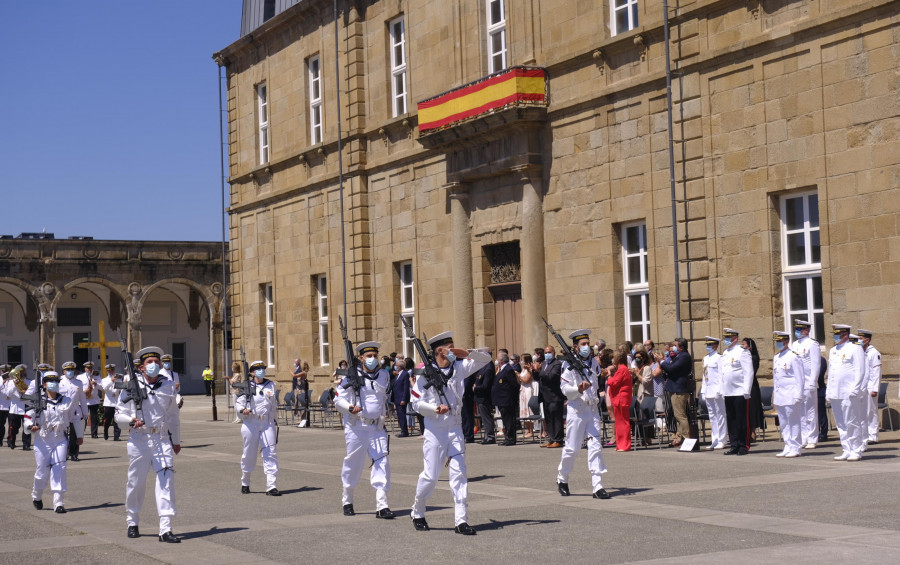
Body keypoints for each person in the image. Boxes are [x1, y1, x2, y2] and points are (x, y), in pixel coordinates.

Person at [410, 332, 490, 535]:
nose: (454, 350)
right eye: (450, 347)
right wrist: (434, 409)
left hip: (455, 428)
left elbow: (486, 358)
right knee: (430, 476)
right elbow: (416, 402)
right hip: (435, 430)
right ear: (439, 350)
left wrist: (464, 352)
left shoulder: (458, 368)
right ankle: (418, 512)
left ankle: (461, 520)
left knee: (459, 475)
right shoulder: (425, 374)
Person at [115, 346, 182, 542]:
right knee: (136, 482)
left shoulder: (167, 385)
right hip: (139, 439)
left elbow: (173, 416)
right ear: (141, 367)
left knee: (166, 482)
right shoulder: (130, 385)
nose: (153, 365)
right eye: (149, 362)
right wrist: (130, 421)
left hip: (161, 440)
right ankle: (132, 521)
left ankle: (165, 528)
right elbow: (119, 414)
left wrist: (176, 440)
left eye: (156, 361)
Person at [334, 342, 394, 518]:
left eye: (375, 356)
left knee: (382, 463)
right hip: (357, 426)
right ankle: (348, 500)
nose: (373, 359)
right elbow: (338, 400)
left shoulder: (383, 375)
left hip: (377, 427)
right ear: (361, 358)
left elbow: (383, 398)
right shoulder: (351, 376)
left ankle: (382, 506)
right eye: (368, 356)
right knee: (353, 464)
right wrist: (350, 407)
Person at [556, 329, 609, 499]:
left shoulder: (593, 363)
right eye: (583, 344)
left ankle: (597, 486)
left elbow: (596, 381)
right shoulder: (568, 364)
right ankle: (562, 478)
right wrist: (577, 389)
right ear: (576, 347)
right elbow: (564, 389)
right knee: (572, 448)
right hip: (577, 409)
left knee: (595, 447)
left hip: (592, 410)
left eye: (588, 343)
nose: (587, 346)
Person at [25, 370, 83, 513]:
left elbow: (75, 418)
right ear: (44, 384)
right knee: (42, 471)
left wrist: (80, 435)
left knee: (60, 469)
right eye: (50, 381)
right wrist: (30, 426)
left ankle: (59, 502)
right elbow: (27, 417)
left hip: (59, 438)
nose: (53, 383)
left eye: (56, 381)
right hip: (42, 440)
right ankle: (37, 495)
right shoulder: (37, 400)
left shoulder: (66, 401)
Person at [236, 360, 280, 496]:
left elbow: (273, 404)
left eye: (263, 368)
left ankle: (271, 486)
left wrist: (274, 420)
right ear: (252, 372)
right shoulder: (246, 386)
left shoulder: (270, 385)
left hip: (267, 423)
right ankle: (245, 481)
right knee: (249, 454)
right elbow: (239, 403)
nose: (261, 370)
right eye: (258, 369)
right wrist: (242, 410)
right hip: (251, 423)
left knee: (270, 453)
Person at [826, 324, 867, 461]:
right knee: (840, 423)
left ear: (846, 335)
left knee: (852, 421)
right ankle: (847, 449)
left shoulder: (855, 348)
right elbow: (831, 372)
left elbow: (860, 370)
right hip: (835, 391)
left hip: (848, 391)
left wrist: (855, 388)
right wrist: (828, 390)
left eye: (839, 334)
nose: (836, 337)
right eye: (835, 334)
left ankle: (856, 449)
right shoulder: (833, 350)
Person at [653, 338, 694, 448]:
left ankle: (686, 439)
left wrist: (662, 361)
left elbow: (672, 368)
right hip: (674, 388)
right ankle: (679, 438)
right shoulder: (679, 356)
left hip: (679, 389)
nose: (674, 347)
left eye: (676, 345)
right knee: (677, 415)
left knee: (681, 416)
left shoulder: (684, 356)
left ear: (681, 347)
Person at [719, 328, 753, 455]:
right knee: (731, 419)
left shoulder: (742, 352)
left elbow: (748, 372)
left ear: (735, 338)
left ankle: (744, 445)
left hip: (739, 390)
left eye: (729, 338)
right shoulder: (726, 353)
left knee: (741, 419)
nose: (727, 340)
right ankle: (734, 444)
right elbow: (723, 373)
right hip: (728, 391)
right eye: (726, 338)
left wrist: (747, 390)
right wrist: (722, 389)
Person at [772, 331, 804, 458]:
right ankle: (788, 445)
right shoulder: (777, 357)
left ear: (786, 341)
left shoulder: (793, 356)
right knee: (784, 422)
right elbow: (776, 378)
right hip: (780, 394)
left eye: (780, 341)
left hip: (791, 394)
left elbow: (799, 378)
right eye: (777, 341)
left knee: (793, 421)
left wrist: (798, 395)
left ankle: (796, 447)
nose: (778, 344)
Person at [790, 319, 821, 449]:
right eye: (796, 329)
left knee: (810, 411)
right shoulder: (794, 344)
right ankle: (803, 437)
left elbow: (815, 364)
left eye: (799, 329)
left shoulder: (812, 344)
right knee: (800, 412)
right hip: (798, 383)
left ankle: (812, 438)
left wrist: (813, 381)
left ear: (806, 330)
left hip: (808, 382)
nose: (797, 332)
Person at [700, 337, 727, 450]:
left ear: (715, 346)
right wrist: (703, 390)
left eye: (710, 345)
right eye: (707, 345)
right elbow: (704, 375)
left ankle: (722, 440)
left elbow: (721, 374)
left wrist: (719, 390)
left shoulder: (719, 358)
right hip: (708, 390)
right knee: (712, 416)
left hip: (717, 390)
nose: (708, 347)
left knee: (720, 415)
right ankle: (715, 439)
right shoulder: (706, 358)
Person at [535, 345, 564, 448]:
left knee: (556, 418)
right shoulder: (543, 364)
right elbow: (539, 377)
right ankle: (551, 439)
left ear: (554, 353)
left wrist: (539, 371)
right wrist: (534, 370)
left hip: (554, 396)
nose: (547, 354)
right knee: (549, 419)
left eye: (549, 352)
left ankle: (558, 440)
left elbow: (551, 377)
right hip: (545, 396)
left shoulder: (557, 364)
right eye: (546, 352)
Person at [857, 329, 882, 445]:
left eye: (861, 338)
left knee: (871, 411)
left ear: (867, 339)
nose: (859, 340)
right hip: (862, 386)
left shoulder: (874, 353)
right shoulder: (860, 351)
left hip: (871, 386)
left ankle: (873, 435)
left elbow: (876, 372)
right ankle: (865, 434)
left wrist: (875, 388)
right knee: (863, 412)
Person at [60, 362, 87, 460]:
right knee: (63, 433)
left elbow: (82, 398)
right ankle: (64, 453)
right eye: (68, 370)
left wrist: (85, 412)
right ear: (64, 371)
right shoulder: (59, 382)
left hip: (76, 411)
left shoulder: (78, 382)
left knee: (75, 433)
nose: (70, 372)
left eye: (72, 370)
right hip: (63, 411)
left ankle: (74, 453)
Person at [606, 349, 633, 452]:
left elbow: (614, 382)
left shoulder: (622, 369)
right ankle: (621, 444)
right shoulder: (622, 369)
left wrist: (609, 375)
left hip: (621, 398)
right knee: (620, 422)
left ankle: (624, 445)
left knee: (623, 422)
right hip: (619, 398)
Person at [492, 349, 520, 446]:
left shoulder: (508, 370)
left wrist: (513, 398)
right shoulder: (502, 369)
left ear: (501, 360)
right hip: (501, 400)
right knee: (505, 420)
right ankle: (507, 437)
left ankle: (511, 439)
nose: (496, 361)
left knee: (509, 421)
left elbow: (514, 385)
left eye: (497, 359)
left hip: (507, 400)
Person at [742, 338, 764, 442]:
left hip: (752, 386)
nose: (742, 346)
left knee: (752, 409)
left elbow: (751, 371)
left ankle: (752, 431)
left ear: (749, 346)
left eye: (744, 344)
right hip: (743, 385)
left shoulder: (753, 358)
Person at [472, 348, 496, 445]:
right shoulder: (483, 366)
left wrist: (476, 388)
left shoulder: (489, 367)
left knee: (487, 418)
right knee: (484, 418)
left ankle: (490, 437)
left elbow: (486, 385)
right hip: (480, 397)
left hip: (485, 397)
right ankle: (487, 436)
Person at [3, 364, 30, 449]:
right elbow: (8, 394)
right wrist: (15, 385)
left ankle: (26, 444)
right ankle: (11, 441)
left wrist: (25, 391)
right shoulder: (11, 382)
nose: (21, 373)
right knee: (13, 427)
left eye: (23, 371)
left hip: (26, 406)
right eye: (19, 371)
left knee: (27, 426)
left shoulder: (29, 382)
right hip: (15, 407)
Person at [78, 362, 102, 439]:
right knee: (83, 417)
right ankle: (81, 433)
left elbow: (102, 388)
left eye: (91, 368)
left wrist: (96, 384)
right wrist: (83, 391)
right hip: (84, 400)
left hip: (94, 400)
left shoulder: (97, 376)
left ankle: (94, 434)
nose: (90, 369)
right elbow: (77, 388)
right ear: (85, 368)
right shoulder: (80, 377)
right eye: (88, 368)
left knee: (94, 418)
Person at [517, 354, 538, 438]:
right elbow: (520, 382)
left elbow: (526, 380)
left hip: (528, 390)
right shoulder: (523, 369)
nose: (521, 361)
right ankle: (527, 429)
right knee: (523, 409)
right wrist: (518, 376)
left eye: (522, 359)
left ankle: (531, 430)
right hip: (522, 390)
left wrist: (519, 375)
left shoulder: (529, 369)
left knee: (528, 409)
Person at [101, 364, 122, 441]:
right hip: (108, 403)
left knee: (117, 420)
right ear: (107, 371)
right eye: (109, 370)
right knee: (108, 420)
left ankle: (116, 436)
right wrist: (111, 381)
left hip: (117, 403)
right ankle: (105, 432)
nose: (111, 372)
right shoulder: (104, 380)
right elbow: (105, 388)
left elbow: (121, 390)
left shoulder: (119, 379)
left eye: (112, 370)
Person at [393, 357, 412, 438]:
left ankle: (404, 431)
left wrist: (404, 399)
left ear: (400, 366)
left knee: (402, 415)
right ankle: (402, 430)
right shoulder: (398, 374)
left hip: (401, 398)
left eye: (397, 365)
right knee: (400, 415)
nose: (396, 366)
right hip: (396, 398)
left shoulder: (405, 373)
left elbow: (405, 388)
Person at [292, 360, 310, 428]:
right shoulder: (302, 372)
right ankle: (302, 419)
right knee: (299, 405)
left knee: (302, 405)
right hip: (298, 390)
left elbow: (294, 375)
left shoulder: (303, 373)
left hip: (302, 391)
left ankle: (304, 419)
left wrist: (289, 370)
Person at [0, 365, 10, 446]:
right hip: (1, 406)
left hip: (11, 406)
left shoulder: (13, 380)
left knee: (12, 425)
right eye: (4, 372)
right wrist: (2, 382)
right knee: (1, 424)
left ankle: (10, 441)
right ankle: (0, 440)